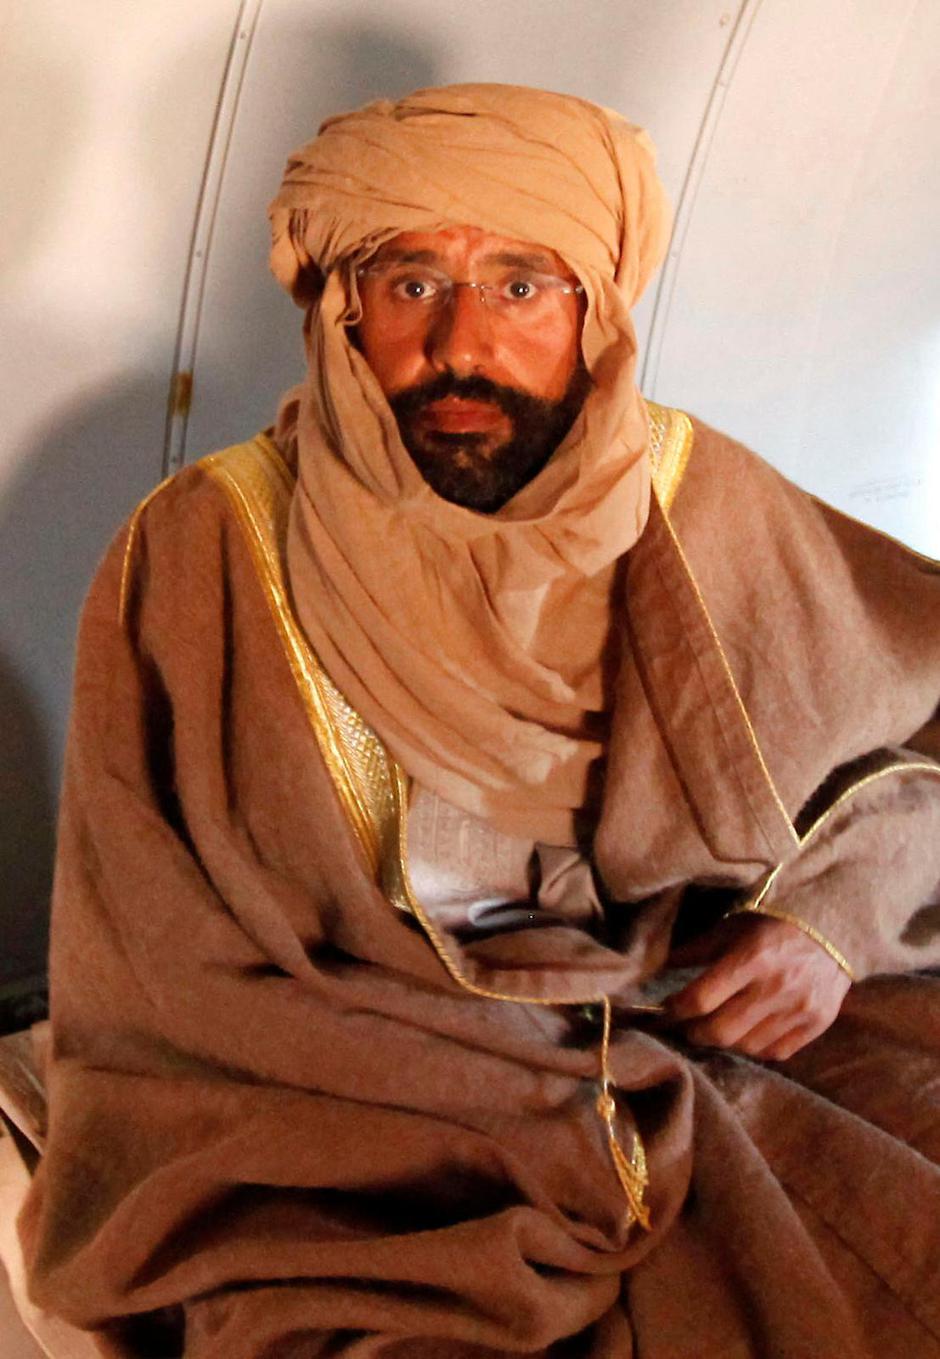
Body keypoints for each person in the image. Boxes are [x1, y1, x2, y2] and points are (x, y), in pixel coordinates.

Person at [17, 83, 940, 1358]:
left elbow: (918, 727)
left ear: (594, 312)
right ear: (346, 311)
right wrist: (524, 1085)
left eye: (520, 286)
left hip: (691, 1006)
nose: (461, 342)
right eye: (411, 285)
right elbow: (159, 958)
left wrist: (825, 925)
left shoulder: (691, 495)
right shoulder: (204, 548)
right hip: (371, 1074)